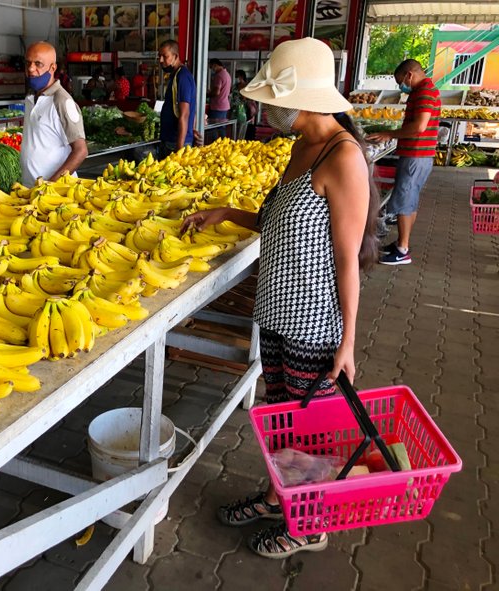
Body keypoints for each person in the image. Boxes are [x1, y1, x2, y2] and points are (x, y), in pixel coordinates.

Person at [181, 37, 379, 559]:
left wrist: (348, 342)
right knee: (281, 416)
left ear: (301, 96)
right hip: (275, 314)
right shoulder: (300, 146)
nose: (265, 108)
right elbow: (276, 220)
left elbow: (347, 258)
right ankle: (277, 497)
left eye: (272, 99)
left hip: (314, 325)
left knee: (308, 426)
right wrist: (226, 213)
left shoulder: (345, 158)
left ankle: (309, 525)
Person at [367, 59, 441, 265]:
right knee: (410, 200)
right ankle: (401, 242)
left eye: (401, 82)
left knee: (405, 202)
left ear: (409, 75)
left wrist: (390, 134)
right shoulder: (425, 90)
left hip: (416, 156)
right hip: (418, 156)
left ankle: (402, 250)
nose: (402, 87)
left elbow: (419, 126)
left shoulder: (424, 91)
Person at [20, 42, 88, 187]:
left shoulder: (62, 101)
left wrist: (50, 186)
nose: (31, 69)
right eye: (28, 63)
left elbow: (81, 151)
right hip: (31, 189)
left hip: (56, 193)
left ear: (53, 68)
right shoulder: (30, 97)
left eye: (38, 64)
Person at [157, 40, 196, 158]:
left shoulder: (182, 77)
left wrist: (179, 149)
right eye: (159, 56)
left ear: (176, 56)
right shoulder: (175, 76)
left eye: (165, 56)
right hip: (170, 140)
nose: (161, 60)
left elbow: (185, 113)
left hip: (175, 143)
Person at [230, 70, 258, 140]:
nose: (236, 77)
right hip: (234, 108)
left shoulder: (246, 86)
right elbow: (231, 94)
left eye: (237, 76)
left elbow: (248, 98)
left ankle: (240, 140)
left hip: (243, 109)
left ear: (242, 76)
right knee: (234, 126)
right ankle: (234, 139)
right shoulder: (235, 85)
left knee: (242, 127)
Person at [207, 58, 232, 139]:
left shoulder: (219, 75)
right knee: (222, 128)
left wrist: (208, 94)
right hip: (225, 106)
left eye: (211, 67)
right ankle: (222, 145)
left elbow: (216, 92)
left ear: (215, 65)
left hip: (217, 106)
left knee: (213, 128)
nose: (212, 70)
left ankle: (215, 145)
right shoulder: (227, 74)